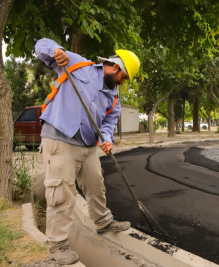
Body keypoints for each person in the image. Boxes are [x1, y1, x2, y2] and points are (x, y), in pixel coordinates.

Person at [35, 38, 140, 264]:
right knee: (61, 194)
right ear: (115, 67)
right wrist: (56, 50)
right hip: (60, 137)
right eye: (124, 76)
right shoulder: (78, 64)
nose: (123, 82)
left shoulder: (114, 98)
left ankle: (103, 222)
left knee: (96, 184)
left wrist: (108, 140)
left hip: (87, 144)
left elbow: (109, 124)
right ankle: (58, 246)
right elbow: (41, 46)